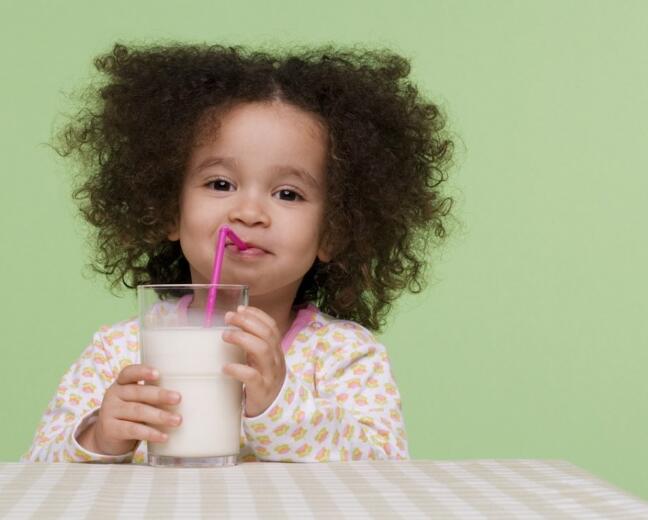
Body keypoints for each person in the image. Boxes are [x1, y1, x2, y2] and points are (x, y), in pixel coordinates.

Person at [24, 42, 454, 463]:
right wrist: (100, 436)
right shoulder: (120, 350)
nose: (248, 212)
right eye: (220, 184)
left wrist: (279, 404)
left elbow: (388, 470)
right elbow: (37, 469)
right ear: (166, 210)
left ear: (335, 232)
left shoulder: (344, 356)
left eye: (288, 193)